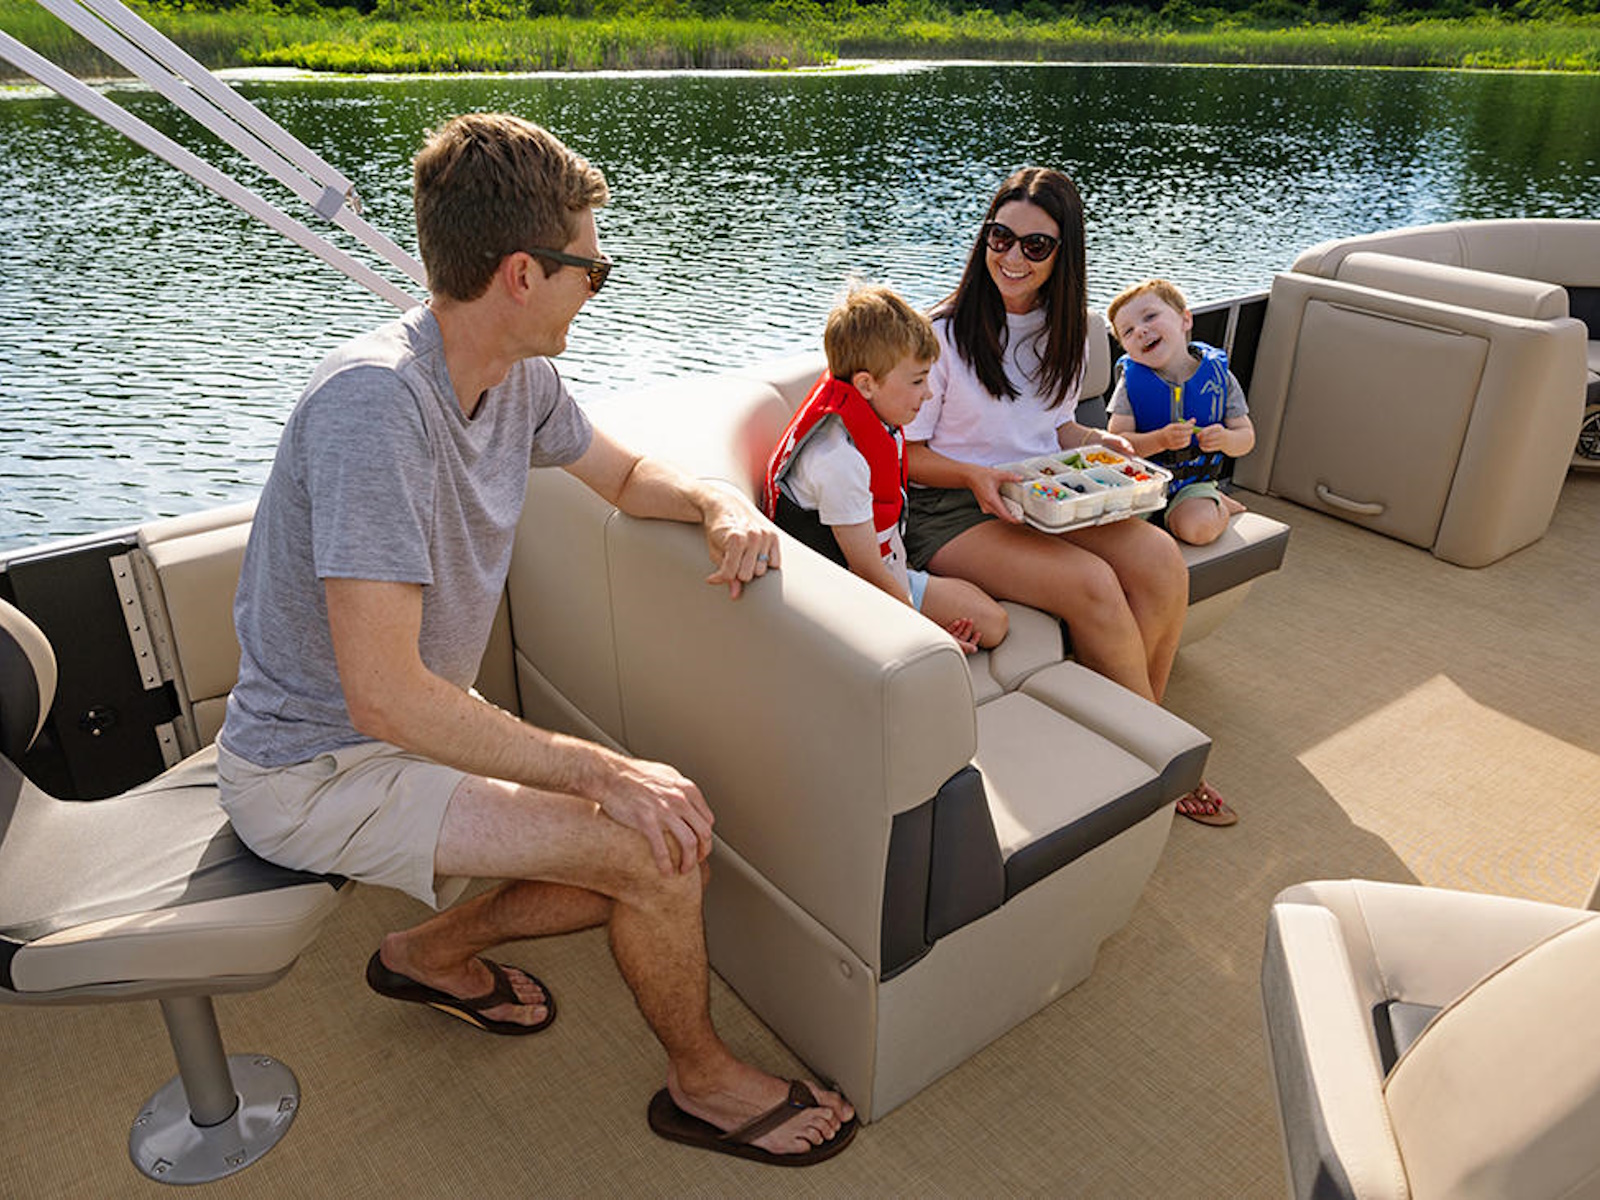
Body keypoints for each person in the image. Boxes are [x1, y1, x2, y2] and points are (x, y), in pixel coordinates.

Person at [213, 112, 855, 1165]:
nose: (599, 287)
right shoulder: (375, 408)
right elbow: (383, 696)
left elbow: (626, 476)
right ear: (522, 274)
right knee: (655, 851)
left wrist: (717, 504)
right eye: (591, 270)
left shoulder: (518, 380)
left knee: (661, 833)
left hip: (409, 733)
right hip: (315, 769)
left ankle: (426, 952)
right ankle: (701, 1082)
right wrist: (603, 773)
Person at [901, 167, 1236, 827]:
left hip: (1040, 492)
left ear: (1064, 254)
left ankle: (1141, 734)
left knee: (1160, 561)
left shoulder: (1068, 330)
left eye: (1036, 245)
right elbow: (904, 456)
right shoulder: (937, 336)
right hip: (949, 510)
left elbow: (1052, 430)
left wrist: (1099, 441)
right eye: (1001, 237)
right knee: (1092, 584)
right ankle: (1161, 756)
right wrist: (975, 477)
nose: (1012, 256)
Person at [762, 283, 1008, 654]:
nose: (928, 393)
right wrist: (930, 636)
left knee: (990, 615)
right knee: (987, 626)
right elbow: (868, 573)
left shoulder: (876, 420)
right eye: (918, 380)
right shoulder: (839, 462)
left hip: (886, 568)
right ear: (866, 384)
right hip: (848, 597)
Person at [1105, 279, 1256, 548]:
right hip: (1140, 485)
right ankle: (1199, 505)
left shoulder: (1220, 378)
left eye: (1150, 316)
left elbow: (1246, 438)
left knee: (1197, 529)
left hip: (1193, 485)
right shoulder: (1130, 384)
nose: (1140, 330)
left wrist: (1225, 439)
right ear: (1126, 348)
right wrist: (1159, 440)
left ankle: (1216, 505)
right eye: (1127, 331)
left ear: (1185, 320)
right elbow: (1118, 444)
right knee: (1109, 534)